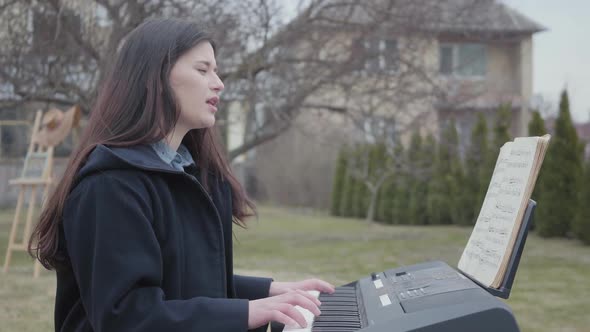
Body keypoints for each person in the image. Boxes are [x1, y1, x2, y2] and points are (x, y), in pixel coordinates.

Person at [29, 18, 335, 332]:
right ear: (155, 78)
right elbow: (127, 316)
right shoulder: (109, 186)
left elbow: (185, 284)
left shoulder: (194, 175)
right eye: (202, 70)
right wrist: (245, 313)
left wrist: (270, 292)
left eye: (215, 71)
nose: (218, 83)